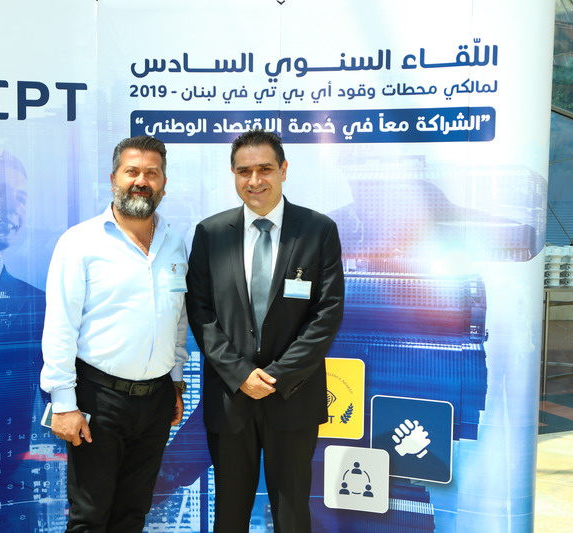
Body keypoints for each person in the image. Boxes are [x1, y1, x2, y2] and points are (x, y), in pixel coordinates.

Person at [186, 130, 345, 532]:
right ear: (233, 174)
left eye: (265, 169)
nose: (254, 180)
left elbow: (326, 314)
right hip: (231, 398)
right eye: (244, 171)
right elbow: (200, 313)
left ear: (283, 170)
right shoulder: (210, 233)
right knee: (229, 516)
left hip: (293, 397)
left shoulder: (318, 230)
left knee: (292, 516)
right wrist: (241, 374)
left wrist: (277, 376)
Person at [40, 136, 188, 532]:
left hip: (156, 401)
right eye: (132, 171)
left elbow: (177, 320)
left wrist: (175, 383)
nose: (141, 181)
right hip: (98, 400)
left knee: (132, 515)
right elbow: (60, 325)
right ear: (113, 179)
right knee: (90, 517)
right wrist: (64, 404)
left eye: (152, 173)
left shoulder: (175, 243)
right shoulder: (79, 242)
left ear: (164, 183)